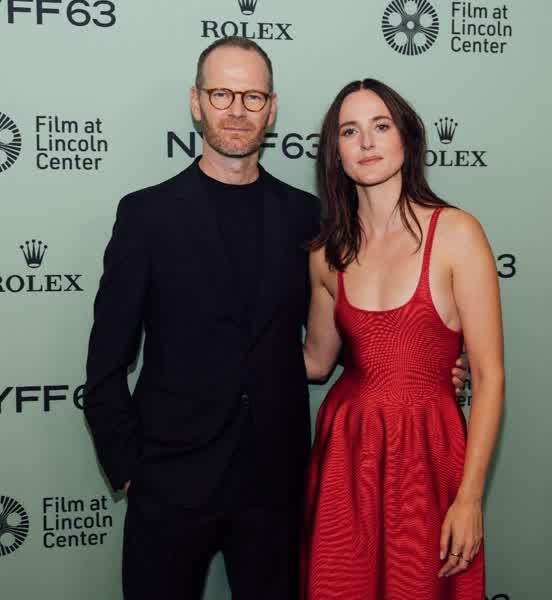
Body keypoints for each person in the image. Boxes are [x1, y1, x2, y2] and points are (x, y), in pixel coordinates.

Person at [84, 38, 469, 600]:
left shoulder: (309, 218)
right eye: (222, 94)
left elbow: (345, 337)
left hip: (275, 484)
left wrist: (432, 365)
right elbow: (105, 362)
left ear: (271, 108)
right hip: (169, 482)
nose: (237, 109)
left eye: (253, 96)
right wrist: (128, 469)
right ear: (196, 102)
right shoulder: (146, 215)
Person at [301, 79, 504, 600]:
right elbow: (316, 361)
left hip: (429, 453)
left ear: (407, 139)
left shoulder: (457, 233)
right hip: (347, 453)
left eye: (381, 126)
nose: (366, 142)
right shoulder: (326, 254)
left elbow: (488, 375)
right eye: (350, 131)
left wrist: (470, 498)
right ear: (336, 152)